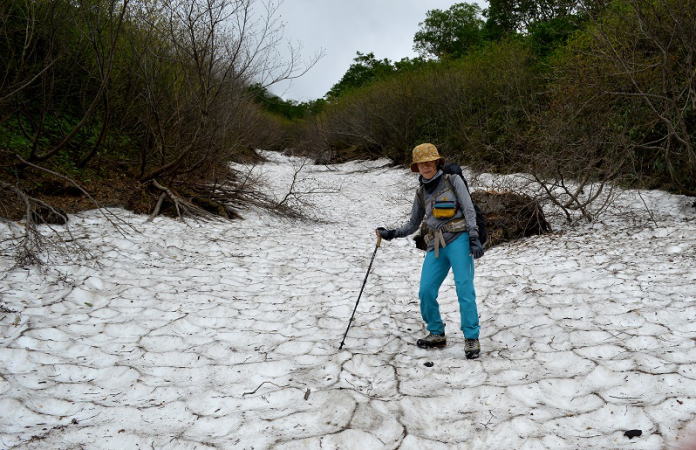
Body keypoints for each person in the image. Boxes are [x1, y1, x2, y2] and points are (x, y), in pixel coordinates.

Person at [376, 143, 484, 359]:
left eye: (428, 162)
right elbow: (413, 223)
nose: (425, 166)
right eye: (421, 163)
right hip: (435, 244)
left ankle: (471, 337)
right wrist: (391, 233)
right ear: (416, 167)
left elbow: (469, 208)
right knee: (425, 291)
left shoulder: (453, 180)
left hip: (460, 239)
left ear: (436, 162)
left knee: (464, 289)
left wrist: (474, 236)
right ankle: (436, 332)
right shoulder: (421, 191)